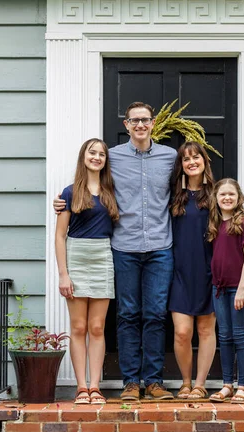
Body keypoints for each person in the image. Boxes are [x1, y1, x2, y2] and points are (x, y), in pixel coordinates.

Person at [54, 102, 177, 401]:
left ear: (153, 122)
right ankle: (131, 382)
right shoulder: (114, 157)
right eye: (134, 120)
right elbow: (89, 185)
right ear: (126, 124)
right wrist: (63, 202)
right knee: (127, 314)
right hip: (123, 247)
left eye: (145, 120)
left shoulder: (170, 156)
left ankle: (155, 381)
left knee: (156, 315)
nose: (140, 125)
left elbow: (186, 190)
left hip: (161, 246)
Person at [55, 138, 119, 404]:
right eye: (92, 153)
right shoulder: (70, 193)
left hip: (103, 256)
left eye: (101, 154)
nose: (97, 157)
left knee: (97, 326)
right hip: (77, 257)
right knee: (79, 326)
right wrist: (63, 274)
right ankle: (81, 387)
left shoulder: (111, 191)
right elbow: (60, 236)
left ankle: (95, 386)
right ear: (84, 157)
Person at [168, 142, 216, 399]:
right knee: (182, 332)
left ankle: (200, 384)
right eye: (186, 159)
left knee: (206, 330)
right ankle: (185, 382)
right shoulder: (175, 197)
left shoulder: (216, 195)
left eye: (196, 157)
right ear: (182, 167)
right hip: (179, 272)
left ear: (204, 161)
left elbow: (235, 220)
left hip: (209, 271)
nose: (192, 162)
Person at [207, 178, 244, 403]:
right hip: (219, 289)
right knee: (224, 336)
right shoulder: (214, 224)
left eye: (231, 194)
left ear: (239, 198)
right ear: (216, 199)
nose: (227, 198)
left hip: (239, 290)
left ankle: (243, 387)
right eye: (222, 194)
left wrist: (241, 289)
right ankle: (227, 384)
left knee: (240, 336)